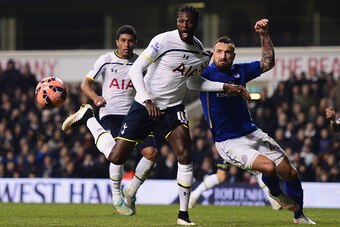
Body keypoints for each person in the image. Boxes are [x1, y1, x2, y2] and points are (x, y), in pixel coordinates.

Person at [62, 5, 249, 226]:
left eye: (189, 21)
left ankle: (183, 215)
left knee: (183, 153)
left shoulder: (199, 51)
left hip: (172, 109)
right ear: (177, 22)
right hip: (144, 105)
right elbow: (135, 70)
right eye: (181, 21)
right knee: (116, 157)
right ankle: (89, 118)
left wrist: (224, 86)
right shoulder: (163, 41)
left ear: (196, 23)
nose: (184, 25)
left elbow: (192, 82)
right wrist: (147, 99)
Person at [198, 20, 316, 224]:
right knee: (269, 168)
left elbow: (267, 63)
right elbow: (186, 78)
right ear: (213, 53)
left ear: (233, 56)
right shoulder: (203, 75)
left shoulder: (240, 71)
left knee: (290, 172)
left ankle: (300, 216)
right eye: (219, 51)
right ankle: (276, 194)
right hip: (228, 141)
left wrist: (264, 35)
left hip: (251, 132)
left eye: (227, 52)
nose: (223, 56)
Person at [73, 25, 158, 216]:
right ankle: (116, 197)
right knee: (116, 153)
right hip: (110, 114)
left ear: (135, 43)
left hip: (134, 114)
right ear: (117, 42)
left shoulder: (140, 63)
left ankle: (131, 191)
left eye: (130, 41)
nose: (126, 45)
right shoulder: (106, 60)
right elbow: (85, 84)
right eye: (123, 41)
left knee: (151, 153)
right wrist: (95, 98)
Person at [189, 161, 282, 210]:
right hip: (226, 144)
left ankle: (272, 201)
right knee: (221, 176)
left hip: (238, 143)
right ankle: (194, 195)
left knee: (257, 169)